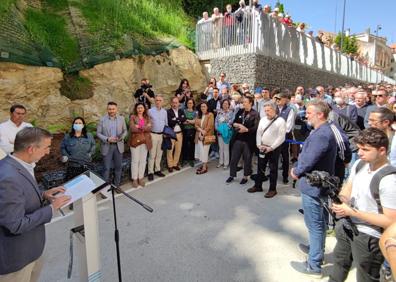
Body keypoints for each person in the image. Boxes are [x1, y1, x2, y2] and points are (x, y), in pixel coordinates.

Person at [0, 127, 70, 281]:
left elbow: (20, 196)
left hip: (31, 251)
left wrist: (43, 194)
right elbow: (16, 224)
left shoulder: (18, 165)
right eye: (46, 148)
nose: (47, 152)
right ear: (31, 149)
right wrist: (52, 208)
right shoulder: (7, 177)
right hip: (17, 261)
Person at [329, 128, 396, 282]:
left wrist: (352, 212)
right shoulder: (360, 164)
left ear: (382, 150)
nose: (359, 153)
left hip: (369, 236)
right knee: (338, 267)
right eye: (359, 148)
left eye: (365, 149)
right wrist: (341, 200)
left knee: (365, 277)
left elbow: (391, 222)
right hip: (347, 227)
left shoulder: (389, 180)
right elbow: (348, 187)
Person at [290, 100, 337, 278]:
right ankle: (317, 250)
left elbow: (309, 159)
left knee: (315, 224)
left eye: (309, 113)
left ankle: (314, 265)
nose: (305, 115)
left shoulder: (321, 135)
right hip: (317, 184)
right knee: (319, 222)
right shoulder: (322, 130)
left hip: (314, 186)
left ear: (320, 114)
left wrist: (296, 170)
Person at [248, 101, 286, 198]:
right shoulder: (263, 119)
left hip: (273, 148)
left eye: (268, 110)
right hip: (262, 147)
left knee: (273, 169)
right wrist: (258, 144)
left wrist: (271, 147)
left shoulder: (280, 121)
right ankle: (258, 186)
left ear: (274, 110)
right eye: (265, 110)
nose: (266, 112)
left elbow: (281, 137)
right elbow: (259, 133)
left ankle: (272, 189)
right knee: (260, 167)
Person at [226, 96, 259, 185]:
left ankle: (245, 176)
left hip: (248, 141)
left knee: (247, 159)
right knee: (234, 159)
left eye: (245, 102)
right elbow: (234, 122)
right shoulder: (240, 111)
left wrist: (246, 130)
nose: (243, 103)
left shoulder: (255, 114)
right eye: (243, 102)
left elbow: (256, 128)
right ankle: (232, 175)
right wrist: (235, 124)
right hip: (238, 139)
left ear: (250, 103)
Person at [96, 102, 127, 189]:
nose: (111, 111)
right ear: (107, 109)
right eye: (110, 109)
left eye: (113, 109)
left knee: (118, 167)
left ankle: (117, 185)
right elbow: (98, 133)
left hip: (118, 146)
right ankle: (105, 189)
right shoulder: (102, 120)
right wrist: (107, 139)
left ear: (116, 109)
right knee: (106, 168)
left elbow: (125, 131)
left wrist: (122, 137)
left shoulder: (121, 119)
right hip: (107, 146)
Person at [274, 92, 296, 184]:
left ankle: (285, 176)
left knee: (285, 157)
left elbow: (289, 126)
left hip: (284, 137)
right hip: (274, 137)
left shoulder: (289, 110)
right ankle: (273, 174)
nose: (277, 101)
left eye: (279, 99)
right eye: (276, 99)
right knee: (274, 157)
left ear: (284, 100)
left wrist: (280, 133)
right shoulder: (274, 108)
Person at [129, 103, 152, 188]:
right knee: (135, 161)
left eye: (141, 108)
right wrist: (145, 127)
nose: (140, 109)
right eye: (138, 108)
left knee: (143, 160)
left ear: (144, 109)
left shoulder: (147, 117)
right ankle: (134, 179)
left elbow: (150, 128)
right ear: (136, 109)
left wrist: (139, 126)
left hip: (145, 141)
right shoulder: (132, 117)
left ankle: (140, 178)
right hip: (135, 142)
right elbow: (132, 128)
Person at [147, 95, 168, 181]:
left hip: (161, 135)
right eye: (157, 100)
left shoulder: (164, 112)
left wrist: (166, 133)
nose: (158, 102)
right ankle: (150, 172)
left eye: (160, 100)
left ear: (162, 102)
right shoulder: (150, 111)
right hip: (153, 135)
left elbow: (166, 123)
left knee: (159, 154)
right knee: (152, 154)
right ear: (154, 101)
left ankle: (157, 170)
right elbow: (145, 121)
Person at [167, 97, 186, 173]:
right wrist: (179, 120)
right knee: (170, 150)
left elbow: (184, 118)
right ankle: (170, 165)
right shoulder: (168, 112)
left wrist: (176, 119)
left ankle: (175, 164)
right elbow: (170, 122)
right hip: (171, 133)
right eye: (173, 103)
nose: (175, 104)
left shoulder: (181, 111)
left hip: (179, 133)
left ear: (179, 103)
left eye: (176, 102)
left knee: (178, 150)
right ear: (171, 103)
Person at [194, 102, 215, 175]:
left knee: (205, 152)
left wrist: (203, 133)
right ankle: (204, 165)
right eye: (201, 106)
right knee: (201, 151)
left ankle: (204, 168)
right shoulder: (198, 115)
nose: (202, 108)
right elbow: (196, 125)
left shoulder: (210, 114)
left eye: (204, 106)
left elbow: (210, 126)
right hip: (199, 135)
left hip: (206, 136)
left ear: (207, 107)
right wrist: (201, 131)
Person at [215, 99, 234, 169]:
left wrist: (225, 129)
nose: (225, 105)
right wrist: (217, 128)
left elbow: (231, 121)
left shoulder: (231, 113)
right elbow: (216, 121)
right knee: (221, 148)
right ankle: (221, 162)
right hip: (219, 132)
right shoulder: (219, 112)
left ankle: (226, 163)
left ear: (229, 105)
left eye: (226, 104)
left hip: (226, 133)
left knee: (226, 148)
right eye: (224, 104)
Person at [182, 98, 197, 167]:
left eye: (191, 103)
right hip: (185, 130)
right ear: (186, 104)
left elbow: (195, 121)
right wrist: (191, 120)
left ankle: (191, 159)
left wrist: (187, 120)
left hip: (192, 130)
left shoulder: (195, 112)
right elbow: (183, 121)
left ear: (193, 104)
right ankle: (184, 159)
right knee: (185, 145)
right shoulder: (184, 111)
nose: (190, 104)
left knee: (192, 145)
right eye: (188, 103)